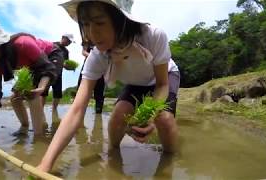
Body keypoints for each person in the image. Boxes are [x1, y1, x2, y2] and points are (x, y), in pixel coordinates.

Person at [37, 0, 180, 172]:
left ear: (122, 20)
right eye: (86, 24)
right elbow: (76, 110)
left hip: (163, 78)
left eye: (99, 22)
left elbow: (163, 84)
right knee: (118, 115)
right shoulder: (97, 57)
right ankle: (113, 154)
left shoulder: (153, 36)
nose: (91, 33)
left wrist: (149, 115)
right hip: (135, 83)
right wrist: (46, 163)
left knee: (163, 119)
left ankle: (169, 161)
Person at [0, 19, 58, 137]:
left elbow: (46, 67)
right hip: (32, 65)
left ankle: (39, 138)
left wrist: (41, 87)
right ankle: (25, 127)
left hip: (51, 55)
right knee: (15, 97)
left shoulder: (23, 43)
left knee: (32, 95)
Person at [41, 34, 74, 112]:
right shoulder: (52, 45)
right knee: (43, 92)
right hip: (47, 72)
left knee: (58, 94)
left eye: (70, 42)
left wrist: (71, 67)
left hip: (58, 74)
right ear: (63, 38)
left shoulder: (66, 52)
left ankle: (54, 110)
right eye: (68, 41)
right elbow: (43, 56)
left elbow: (65, 64)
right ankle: (40, 110)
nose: (69, 43)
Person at [77, 40, 105, 114]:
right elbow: (83, 52)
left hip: (101, 68)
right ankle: (79, 112)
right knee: (82, 89)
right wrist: (94, 57)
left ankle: (98, 113)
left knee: (99, 91)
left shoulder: (104, 39)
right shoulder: (87, 40)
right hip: (88, 67)